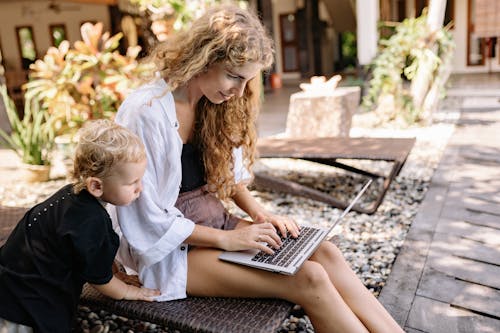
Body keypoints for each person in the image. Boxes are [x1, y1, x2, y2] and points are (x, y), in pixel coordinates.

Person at [111, 3, 404, 333]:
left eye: (246, 81)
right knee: (309, 278)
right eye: (234, 77)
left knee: (325, 253)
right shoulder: (145, 112)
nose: (238, 92)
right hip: (168, 251)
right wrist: (228, 239)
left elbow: (227, 177)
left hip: (212, 223)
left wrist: (261, 215)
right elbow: (144, 218)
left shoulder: (211, 102)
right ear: (205, 57)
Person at [0, 119, 160, 333]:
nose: (140, 189)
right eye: (132, 183)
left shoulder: (71, 195)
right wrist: (130, 292)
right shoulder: (92, 221)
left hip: (10, 281)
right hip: (26, 304)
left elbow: (85, 249)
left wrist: (114, 270)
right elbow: (100, 280)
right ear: (96, 185)